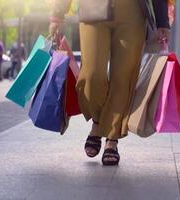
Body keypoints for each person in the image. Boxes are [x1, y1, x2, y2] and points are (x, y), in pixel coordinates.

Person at [50, 0, 170, 166]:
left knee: (124, 78)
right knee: (92, 75)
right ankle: (98, 123)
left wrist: (162, 21)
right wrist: (57, 13)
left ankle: (112, 138)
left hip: (133, 12)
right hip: (93, 8)